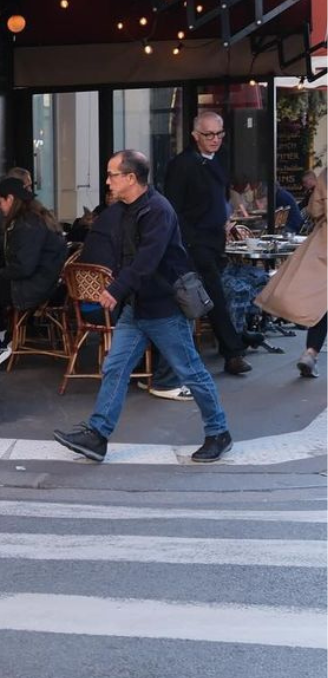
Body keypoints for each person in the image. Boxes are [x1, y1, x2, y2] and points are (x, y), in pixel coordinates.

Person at [53, 150, 233, 464]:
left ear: (131, 178)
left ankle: (219, 432)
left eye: (112, 175)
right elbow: (123, 256)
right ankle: (97, 435)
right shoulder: (125, 209)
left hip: (164, 307)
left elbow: (147, 259)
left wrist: (116, 289)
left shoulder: (158, 210)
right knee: (115, 367)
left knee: (190, 371)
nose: (107, 181)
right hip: (137, 307)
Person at [163, 112, 254, 375]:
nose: (215, 139)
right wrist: (189, 241)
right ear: (195, 136)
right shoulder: (182, 165)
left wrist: (226, 220)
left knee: (214, 297)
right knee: (213, 296)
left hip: (215, 240)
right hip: (194, 243)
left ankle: (234, 343)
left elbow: (221, 196)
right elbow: (174, 208)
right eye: (209, 135)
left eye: (219, 134)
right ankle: (232, 352)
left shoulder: (219, 159)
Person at [77, 194, 192, 401]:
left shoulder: (110, 217)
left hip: (89, 303)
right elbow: (141, 263)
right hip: (113, 302)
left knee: (117, 365)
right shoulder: (138, 215)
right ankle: (165, 381)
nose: (110, 184)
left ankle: (101, 424)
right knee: (173, 313)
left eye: (113, 176)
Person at [255, 169, 327, 378]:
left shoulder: (326, 176)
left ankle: (310, 351)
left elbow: (315, 209)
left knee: (320, 302)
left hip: (324, 244)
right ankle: (311, 353)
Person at [0, 177, 66, 357]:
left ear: (9, 199)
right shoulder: (35, 218)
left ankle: (0, 339)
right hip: (46, 282)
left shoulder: (27, 224)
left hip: (34, 287)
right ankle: (0, 334)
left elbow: (24, 266)